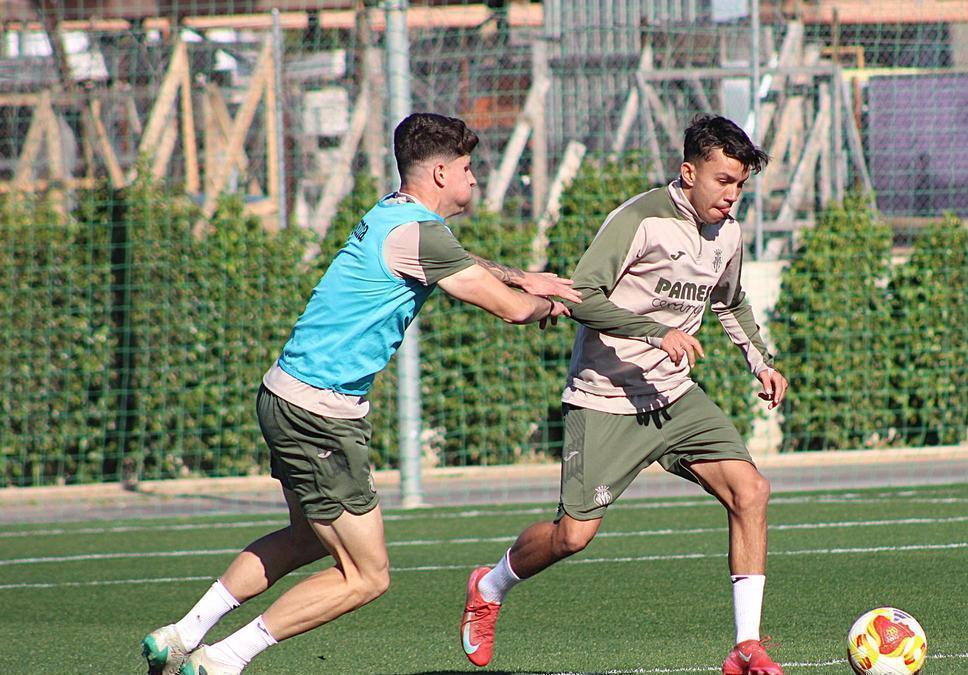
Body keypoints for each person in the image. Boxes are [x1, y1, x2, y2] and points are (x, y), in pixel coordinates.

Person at [141, 112, 578, 675]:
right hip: (319, 414)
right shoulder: (420, 231)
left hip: (283, 394)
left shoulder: (391, 213)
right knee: (367, 575)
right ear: (441, 173)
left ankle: (181, 634)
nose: (475, 180)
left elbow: (461, 263)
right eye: (468, 169)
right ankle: (222, 660)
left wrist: (523, 275)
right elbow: (514, 311)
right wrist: (556, 303)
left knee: (306, 539)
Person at [460, 114, 789, 674]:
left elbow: (729, 301)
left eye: (739, 184)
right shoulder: (639, 220)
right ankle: (489, 586)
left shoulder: (727, 234)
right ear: (688, 172)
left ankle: (746, 645)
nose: (731, 196)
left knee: (750, 490)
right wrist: (656, 332)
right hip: (606, 396)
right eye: (722, 181)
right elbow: (580, 294)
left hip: (674, 396)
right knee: (572, 536)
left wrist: (761, 362)